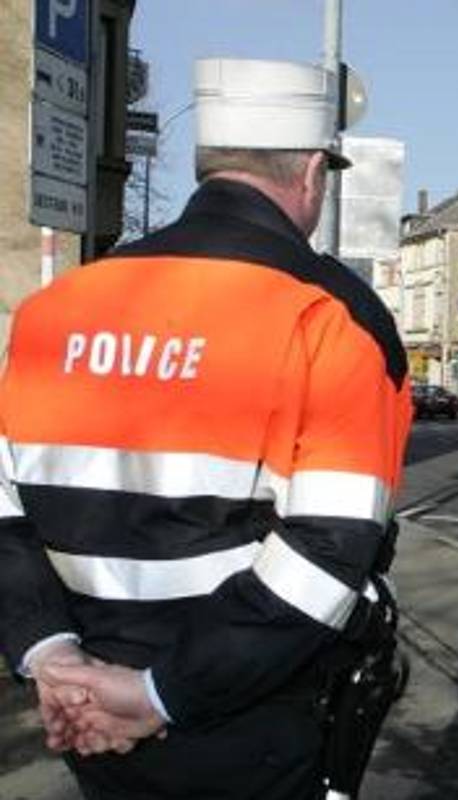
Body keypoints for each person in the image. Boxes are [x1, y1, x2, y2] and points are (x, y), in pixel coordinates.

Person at [0, 58, 412, 799]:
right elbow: (332, 548)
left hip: (83, 709)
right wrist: (157, 695)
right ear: (313, 173)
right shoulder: (331, 316)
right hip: (245, 717)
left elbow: (5, 513)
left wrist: (51, 655)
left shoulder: (52, 310)